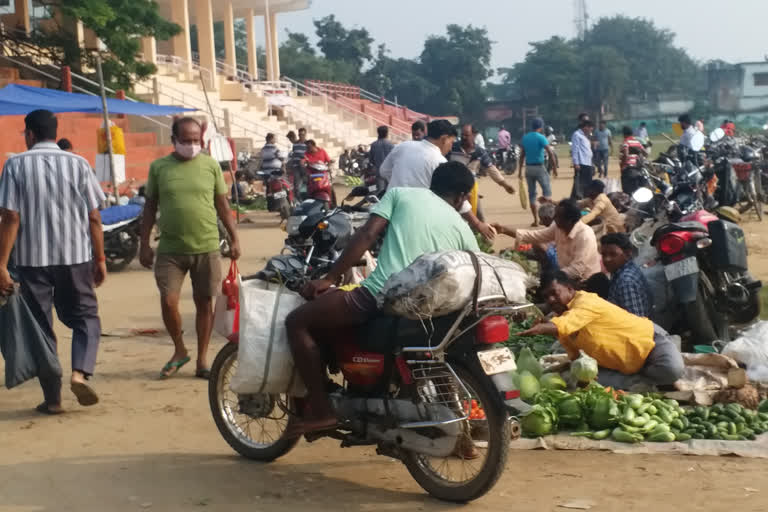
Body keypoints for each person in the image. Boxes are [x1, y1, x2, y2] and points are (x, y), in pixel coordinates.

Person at [285, 161, 480, 434]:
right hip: (433, 307)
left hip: (380, 296)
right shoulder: (462, 227)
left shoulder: (401, 194)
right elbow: (476, 267)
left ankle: (321, 410)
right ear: (461, 197)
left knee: (297, 322)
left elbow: (366, 234)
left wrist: (330, 278)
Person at [0, 109, 107, 414]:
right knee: (86, 317)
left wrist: (1, 265)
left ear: (29, 134)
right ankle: (80, 372)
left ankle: (53, 399)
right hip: (75, 259)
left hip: (31, 262)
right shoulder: (79, 164)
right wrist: (100, 259)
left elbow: (10, 217)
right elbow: (94, 217)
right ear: (53, 131)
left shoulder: (15, 165)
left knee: (41, 327)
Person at [139, 117, 241, 379]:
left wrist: (234, 238)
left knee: (204, 303)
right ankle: (179, 349)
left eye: (196, 140)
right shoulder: (159, 168)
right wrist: (144, 244)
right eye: (186, 140)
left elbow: (222, 206)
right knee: (168, 300)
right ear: (174, 140)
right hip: (170, 250)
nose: (192, 145)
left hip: (207, 246)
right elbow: (149, 208)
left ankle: (202, 359)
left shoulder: (210, 166)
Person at [517, 271, 683, 390]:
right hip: (619, 363)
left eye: (554, 293)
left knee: (672, 370)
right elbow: (574, 354)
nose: (551, 300)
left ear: (569, 288)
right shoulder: (561, 316)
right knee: (583, 381)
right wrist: (581, 372)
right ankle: (637, 378)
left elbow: (566, 323)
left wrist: (541, 328)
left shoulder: (586, 302)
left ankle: (668, 345)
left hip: (649, 342)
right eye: (546, 297)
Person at [380, 120, 496, 239]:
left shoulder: (403, 146)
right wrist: (477, 224)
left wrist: (402, 182)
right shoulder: (439, 161)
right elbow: (457, 197)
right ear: (444, 139)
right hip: (419, 219)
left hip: (390, 212)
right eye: (451, 142)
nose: (451, 146)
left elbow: (383, 171)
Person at [492, 198, 601, 282]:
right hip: (565, 276)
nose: (554, 218)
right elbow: (534, 236)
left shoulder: (584, 236)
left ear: (570, 221)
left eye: (558, 216)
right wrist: (503, 229)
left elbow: (577, 270)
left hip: (585, 281)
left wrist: (552, 276)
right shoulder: (558, 227)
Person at [449, 124, 515, 219]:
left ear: (474, 135)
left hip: (471, 188)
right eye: (462, 134)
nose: (463, 137)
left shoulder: (480, 152)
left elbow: (491, 169)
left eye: (466, 135)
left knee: (479, 216)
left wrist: (505, 185)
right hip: (453, 189)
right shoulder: (452, 148)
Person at [600, 233, 653, 318]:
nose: (606, 259)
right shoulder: (620, 271)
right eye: (603, 255)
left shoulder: (626, 282)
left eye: (613, 254)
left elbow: (637, 322)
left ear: (628, 254)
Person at [520, 118, 558, 226]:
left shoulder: (525, 138)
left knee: (532, 194)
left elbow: (522, 155)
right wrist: (554, 168)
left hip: (528, 168)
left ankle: (536, 220)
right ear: (540, 127)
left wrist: (519, 171)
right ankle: (548, 219)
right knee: (547, 193)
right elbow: (550, 153)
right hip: (539, 168)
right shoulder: (541, 137)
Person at [571, 119, 595, 200]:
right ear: (585, 127)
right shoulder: (577, 135)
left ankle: (585, 199)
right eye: (590, 129)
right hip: (582, 163)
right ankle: (578, 199)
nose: (590, 131)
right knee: (581, 185)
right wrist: (576, 163)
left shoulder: (585, 136)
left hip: (588, 163)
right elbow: (575, 150)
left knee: (588, 184)